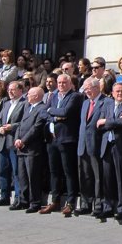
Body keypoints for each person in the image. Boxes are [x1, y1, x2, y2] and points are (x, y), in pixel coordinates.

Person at [41, 74, 83, 217]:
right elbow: (42, 112)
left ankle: (70, 203)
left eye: (64, 82)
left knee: (69, 172)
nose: (61, 85)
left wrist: (51, 112)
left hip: (67, 139)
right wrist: (55, 115)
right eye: (59, 83)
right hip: (52, 139)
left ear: (70, 83)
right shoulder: (53, 96)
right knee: (54, 172)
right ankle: (54, 200)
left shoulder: (75, 96)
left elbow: (66, 112)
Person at [97, 82, 122, 221]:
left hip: (121, 147)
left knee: (121, 179)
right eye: (117, 91)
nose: (120, 93)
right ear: (112, 93)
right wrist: (115, 121)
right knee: (107, 179)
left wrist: (106, 121)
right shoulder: (107, 105)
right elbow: (98, 125)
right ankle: (107, 207)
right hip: (107, 145)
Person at [0, 80, 25, 208]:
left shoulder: (24, 104)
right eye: (9, 89)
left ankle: (18, 198)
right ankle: (4, 196)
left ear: (20, 90)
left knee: (16, 171)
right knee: (3, 170)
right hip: (3, 142)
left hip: (14, 141)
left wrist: (11, 127)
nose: (10, 91)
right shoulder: (6, 103)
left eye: (13, 89)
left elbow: (24, 122)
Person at [13, 86, 48, 213]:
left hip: (33, 147)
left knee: (33, 176)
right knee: (22, 176)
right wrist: (17, 138)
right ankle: (23, 200)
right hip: (21, 147)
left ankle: (35, 202)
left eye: (29, 94)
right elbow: (20, 124)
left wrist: (23, 140)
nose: (27, 96)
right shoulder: (27, 107)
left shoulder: (42, 108)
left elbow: (37, 127)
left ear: (37, 96)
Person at [76, 77, 107, 216]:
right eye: (85, 88)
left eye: (88, 88)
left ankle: (98, 204)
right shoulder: (84, 104)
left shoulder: (106, 102)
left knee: (98, 177)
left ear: (96, 88)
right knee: (84, 175)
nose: (86, 91)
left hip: (97, 144)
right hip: (82, 145)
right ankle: (85, 203)